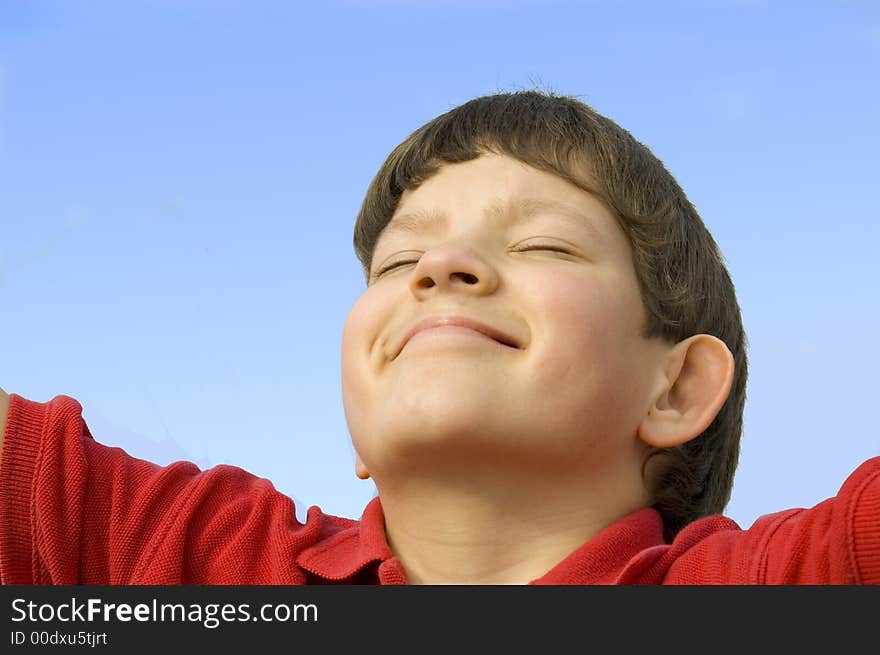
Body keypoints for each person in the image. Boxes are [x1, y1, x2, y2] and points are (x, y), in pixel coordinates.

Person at [0, 90, 877, 585]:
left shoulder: (782, 582)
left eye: (541, 244)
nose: (442, 266)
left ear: (676, 388)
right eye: (398, 261)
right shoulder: (203, 566)